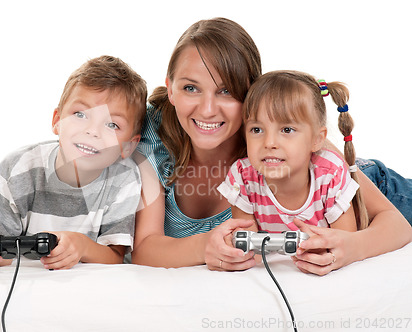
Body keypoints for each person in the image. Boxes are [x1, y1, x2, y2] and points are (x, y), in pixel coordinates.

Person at [131, 17, 412, 275]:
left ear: (251, 96)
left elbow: (396, 224)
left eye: (226, 91)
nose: (207, 110)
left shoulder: (274, 140)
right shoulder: (153, 136)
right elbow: (145, 249)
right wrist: (204, 247)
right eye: (191, 88)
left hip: (379, 186)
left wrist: (353, 247)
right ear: (170, 87)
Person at [0, 55, 147, 274]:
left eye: (112, 124)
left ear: (129, 146)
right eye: (80, 114)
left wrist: (82, 246)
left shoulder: (124, 180)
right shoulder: (18, 169)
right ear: (57, 121)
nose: (92, 131)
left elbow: (116, 257)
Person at [218, 70, 366, 238]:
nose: (269, 143)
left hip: (381, 180)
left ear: (317, 139)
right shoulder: (242, 178)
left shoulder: (332, 175)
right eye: (257, 129)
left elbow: (344, 244)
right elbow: (250, 248)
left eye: (287, 129)